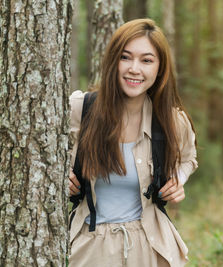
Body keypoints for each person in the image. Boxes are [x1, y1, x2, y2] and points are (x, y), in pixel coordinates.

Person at [68, 19, 198, 267]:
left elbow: (189, 158)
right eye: (125, 57)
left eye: (147, 60)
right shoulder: (80, 109)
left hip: (150, 247)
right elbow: (38, 152)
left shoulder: (171, 120)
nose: (134, 69)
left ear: (160, 69)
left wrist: (178, 181)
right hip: (91, 245)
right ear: (112, 61)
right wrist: (60, 178)